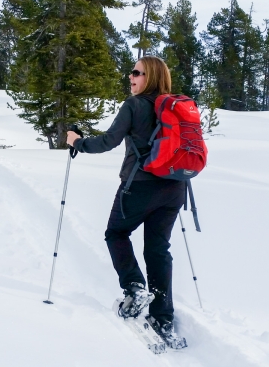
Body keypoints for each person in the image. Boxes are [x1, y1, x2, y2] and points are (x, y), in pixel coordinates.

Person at [66, 56, 185, 341]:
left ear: (151, 77)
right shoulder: (176, 106)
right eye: (131, 72)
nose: (130, 76)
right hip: (174, 188)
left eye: (137, 72)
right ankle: (163, 317)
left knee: (116, 233)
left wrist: (76, 142)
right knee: (158, 249)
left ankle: (134, 287)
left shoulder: (134, 105)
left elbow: (108, 141)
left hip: (140, 185)